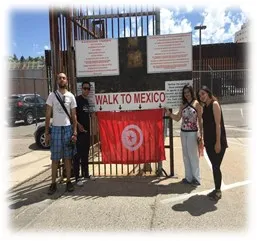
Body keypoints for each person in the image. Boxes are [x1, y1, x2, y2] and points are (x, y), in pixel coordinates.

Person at [45, 73, 77, 195]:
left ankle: (68, 181)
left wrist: (74, 131)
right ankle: (53, 183)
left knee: (68, 158)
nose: (62, 80)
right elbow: (48, 115)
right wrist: (47, 132)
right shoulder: (52, 96)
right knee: (55, 158)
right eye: (60, 78)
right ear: (57, 81)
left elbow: (73, 115)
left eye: (64, 78)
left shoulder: (71, 96)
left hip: (68, 129)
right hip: (56, 129)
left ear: (66, 80)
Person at [165, 84, 203, 187]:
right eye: (185, 93)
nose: (186, 94)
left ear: (191, 92)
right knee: (185, 155)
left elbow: (200, 120)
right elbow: (178, 118)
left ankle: (196, 178)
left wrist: (201, 134)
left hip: (192, 133)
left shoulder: (196, 104)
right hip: (183, 132)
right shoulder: (183, 105)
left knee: (193, 156)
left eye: (188, 92)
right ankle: (188, 177)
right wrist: (169, 114)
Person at [197, 86, 228, 201]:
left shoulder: (214, 104)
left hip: (217, 141)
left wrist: (218, 143)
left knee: (215, 166)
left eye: (203, 94)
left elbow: (218, 124)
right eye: (200, 95)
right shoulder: (205, 106)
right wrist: (203, 138)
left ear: (208, 93)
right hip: (209, 142)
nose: (201, 97)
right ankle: (216, 189)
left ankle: (218, 191)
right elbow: (205, 124)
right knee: (215, 166)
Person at [73, 81, 96, 186]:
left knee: (85, 154)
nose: (86, 90)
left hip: (87, 132)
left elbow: (91, 115)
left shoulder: (87, 101)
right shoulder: (77, 100)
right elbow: (72, 115)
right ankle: (77, 177)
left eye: (88, 89)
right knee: (77, 155)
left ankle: (86, 174)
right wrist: (78, 125)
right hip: (78, 132)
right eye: (85, 88)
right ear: (81, 89)